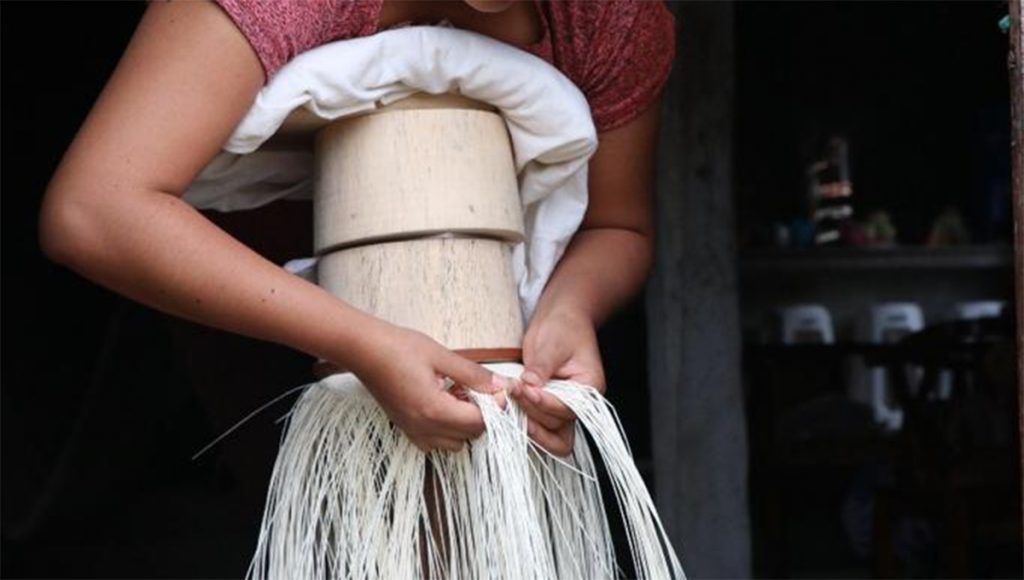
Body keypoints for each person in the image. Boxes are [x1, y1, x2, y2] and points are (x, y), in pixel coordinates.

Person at [38, 0, 674, 458]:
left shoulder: (611, 18)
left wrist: (567, 310)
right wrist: (363, 343)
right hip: (239, 299)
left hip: (495, 352)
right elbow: (94, 210)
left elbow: (618, 224)